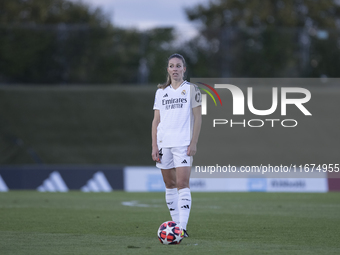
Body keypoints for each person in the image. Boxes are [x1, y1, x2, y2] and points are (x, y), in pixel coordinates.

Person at [151, 53, 202, 237]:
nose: (175, 69)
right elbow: (156, 121)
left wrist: (193, 142)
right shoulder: (160, 92)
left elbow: (198, 118)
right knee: (169, 184)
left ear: (184, 69)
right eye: (171, 66)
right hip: (164, 144)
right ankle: (175, 225)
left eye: (178, 66)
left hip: (182, 144)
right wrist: (154, 146)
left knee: (182, 183)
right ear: (168, 69)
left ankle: (182, 227)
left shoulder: (192, 89)